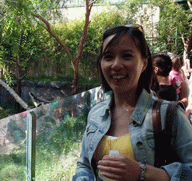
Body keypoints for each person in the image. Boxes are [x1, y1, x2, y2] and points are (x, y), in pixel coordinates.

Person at [73, 25, 192, 181]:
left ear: (143, 63)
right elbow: (84, 165)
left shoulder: (169, 115)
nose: (116, 65)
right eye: (108, 56)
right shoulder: (95, 113)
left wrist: (142, 172)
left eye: (127, 56)